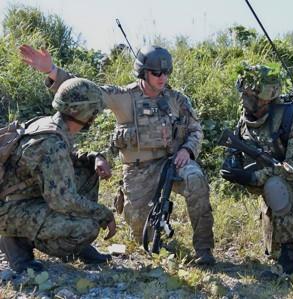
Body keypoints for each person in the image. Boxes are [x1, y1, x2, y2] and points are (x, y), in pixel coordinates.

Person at [19, 45, 215, 265]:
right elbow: (86, 91)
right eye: (156, 73)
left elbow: (196, 130)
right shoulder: (123, 97)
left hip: (172, 163)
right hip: (138, 171)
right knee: (143, 235)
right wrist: (52, 70)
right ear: (143, 72)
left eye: (166, 73)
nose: (163, 78)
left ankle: (204, 250)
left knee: (195, 179)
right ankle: (154, 231)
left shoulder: (177, 99)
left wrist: (187, 149)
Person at [220, 64, 293, 278]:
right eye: (243, 94)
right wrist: (233, 168)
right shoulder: (246, 118)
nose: (243, 99)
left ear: (263, 98)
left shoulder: (290, 118)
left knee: (276, 187)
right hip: (273, 187)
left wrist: (254, 177)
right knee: (271, 251)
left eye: (247, 95)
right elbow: (236, 149)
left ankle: (287, 267)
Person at [0, 78, 116, 273]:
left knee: (87, 169)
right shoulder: (51, 143)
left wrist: (94, 157)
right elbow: (63, 201)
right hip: (9, 209)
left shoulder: (49, 124)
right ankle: (16, 243)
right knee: (88, 226)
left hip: (21, 198)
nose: (95, 117)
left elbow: (65, 161)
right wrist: (103, 214)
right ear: (84, 112)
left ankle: (27, 235)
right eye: (94, 112)